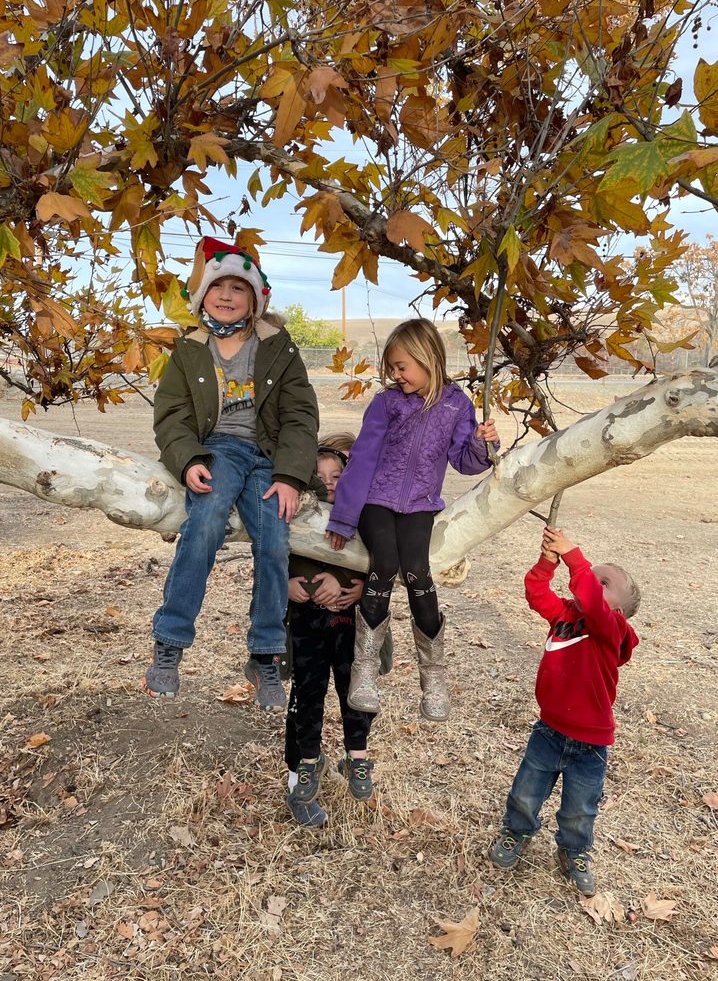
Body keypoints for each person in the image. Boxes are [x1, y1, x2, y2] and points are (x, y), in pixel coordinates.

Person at [144, 238, 319, 712]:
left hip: (268, 455)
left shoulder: (277, 347)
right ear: (203, 296)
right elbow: (172, 416)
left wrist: (290, 475)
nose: (225, 295)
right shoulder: (190, 351)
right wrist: (189, 460)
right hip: (217, 450)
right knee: (203, 524)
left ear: (255, 298)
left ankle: (265, 653)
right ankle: (170, 642)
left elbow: (301, 415)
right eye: (217, 285)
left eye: (237, 288)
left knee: (273, 540)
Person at [324, 319, 499, 721]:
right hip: (375, 501)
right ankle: (365, 670)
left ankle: (433, 676)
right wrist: (344, 517)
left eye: (402, 366)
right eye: (392, 368)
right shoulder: (387, 403)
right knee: (384, 564)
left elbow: (467, 461)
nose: (396, 375)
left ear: (427, 358)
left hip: (420, 504)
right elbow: (363, 457)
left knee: (418, 571)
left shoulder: (457, 405)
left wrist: (483, 441)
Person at [489, 526, 640, 896]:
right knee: (526, 792)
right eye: (593, 576)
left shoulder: (615, 630)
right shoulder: (566, 615)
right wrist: (548, 560)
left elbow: (591, 598)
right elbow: (536, 594)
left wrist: (574, 556)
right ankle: (516, 832)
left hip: (590, 744)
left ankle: (573, 852)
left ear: (617, 609)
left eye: (602, 581)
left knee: (579, 809)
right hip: (549, 729)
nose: (589, 580)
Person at [284, 435, 382, 828]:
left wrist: (359, 588)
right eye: (320, 475)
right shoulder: (294, 513)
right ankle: (298, 780)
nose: (328, 483)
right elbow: (271, 558)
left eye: (337, 476)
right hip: (305, 629)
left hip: (347, 630)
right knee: (304, 702)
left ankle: (352, 755)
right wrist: (285, 584)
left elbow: (378, 563)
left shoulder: (363, 518)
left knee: (353, 694)